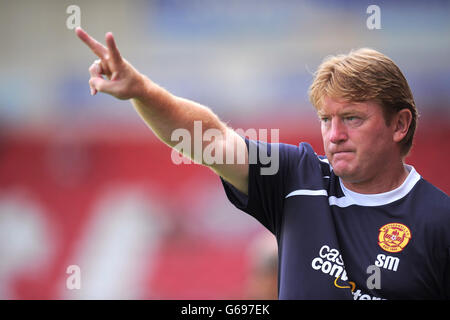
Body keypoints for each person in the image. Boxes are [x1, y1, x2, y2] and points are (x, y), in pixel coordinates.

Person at [75, 28, 450, 300]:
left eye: (352, 118)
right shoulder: (295, 177)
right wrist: (142, 90)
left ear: (400, 124)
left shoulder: (439, 221)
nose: (334, 134)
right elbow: (211, 140)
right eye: (325, 119)